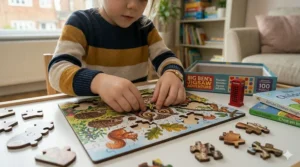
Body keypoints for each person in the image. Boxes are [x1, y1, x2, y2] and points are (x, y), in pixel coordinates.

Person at [48, 0, 186, 113]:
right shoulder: (80, 22)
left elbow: (167, 57)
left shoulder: (146, 28)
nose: (133, 5)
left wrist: (172, 73)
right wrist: (98, 82)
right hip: (91, 111)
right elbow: (56, 71)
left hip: (135, 112)